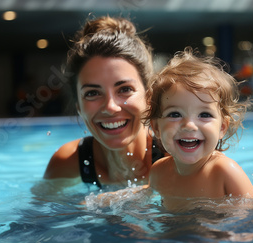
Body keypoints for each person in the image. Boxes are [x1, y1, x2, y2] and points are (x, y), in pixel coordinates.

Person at [43, 16, 164, 188]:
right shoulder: (67, 162)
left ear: (148, 97)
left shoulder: (175, 158)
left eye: (124, 89)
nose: (110, 107)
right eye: (92, 93)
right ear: (78, 106)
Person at [143, 48, 253, 211]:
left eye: (204, 114)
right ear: (156, 127)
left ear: (222, 128)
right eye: (175, 114)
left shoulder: (224, 172)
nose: (189, 125)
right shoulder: (158, 171)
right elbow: (144, 197)